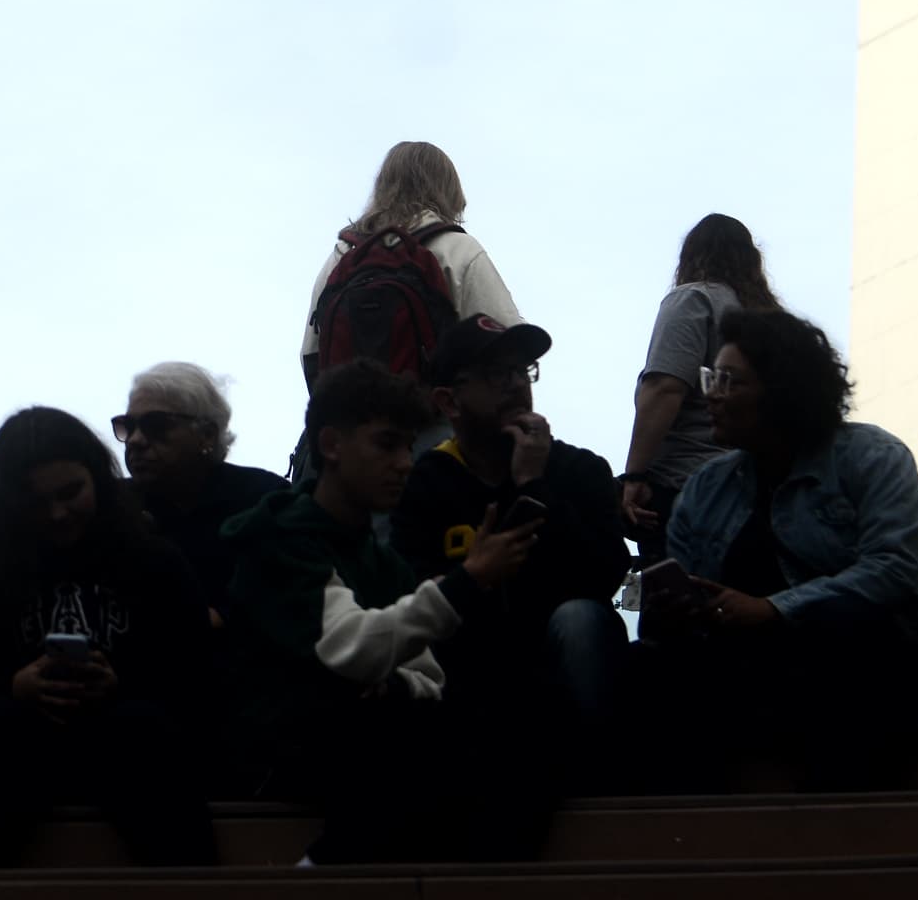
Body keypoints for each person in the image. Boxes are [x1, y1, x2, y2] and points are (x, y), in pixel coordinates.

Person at [222, 358, 547, 863]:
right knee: (407, 736)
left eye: (408, 446)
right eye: (386, 444)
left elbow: (426, 677)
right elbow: (350, 649)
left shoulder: (384, 561)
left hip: (365, 742)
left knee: (505, 728)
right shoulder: (283, 539)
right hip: (278, 749)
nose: (404, 462)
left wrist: (394, 684)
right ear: (331, 446)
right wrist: (468, 582)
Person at [641, 308, 918, 791]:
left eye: (729, 381)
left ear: (781, 393)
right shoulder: (705, 488)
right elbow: (684, 596)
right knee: (644, 668)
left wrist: (773, 610)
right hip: (742, 671)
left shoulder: (873, 458)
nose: (711, 395)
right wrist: (678, 609)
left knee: (852, 642)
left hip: (859, 665)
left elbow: (897, 570)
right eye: (711, 378)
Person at [0, 407, 215, 868]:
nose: (56, 513)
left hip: (125, 744)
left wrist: (119, 684)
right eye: (35, 502)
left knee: (146, 730)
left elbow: (197, 670)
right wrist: (14, 688)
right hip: (14, 747)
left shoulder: (153, 560)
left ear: (97, 478)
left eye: (70, 492)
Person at [393, 317, 630, 721]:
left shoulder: (579, 468)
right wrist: (473, 576)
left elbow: (606, 575)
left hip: (556, 656)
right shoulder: (425, 482)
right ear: (449, 402)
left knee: (582, 619)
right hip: (467, 670)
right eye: (496, 373)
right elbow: (407, 591)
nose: (518, 384)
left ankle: (599, 778)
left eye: (523, 371)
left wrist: (532, 485)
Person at [293, 144, 522, 471]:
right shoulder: (456, 248)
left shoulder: (341, 256)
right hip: (431, 442)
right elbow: (505, 342)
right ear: (449, 191)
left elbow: (311, 356)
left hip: (344, 451)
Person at [620, 214, 780, 551]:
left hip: (685, 487)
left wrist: (634, 475)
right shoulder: (771, 322)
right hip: (757, 495)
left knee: (676, 597)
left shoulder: (693, 300)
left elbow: (665, 388)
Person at [114, 362, 285, 623]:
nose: (136, 440)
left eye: (156, 425)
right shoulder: (112, 507)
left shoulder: (265, 500)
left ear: (206, 435)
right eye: (128, 426)